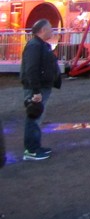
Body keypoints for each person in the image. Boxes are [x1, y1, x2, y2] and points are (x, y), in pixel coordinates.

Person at [20, 19, 62, 161]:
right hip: (37, 88)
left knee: (36, 117)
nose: (52, 31)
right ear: (42, 30)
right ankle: (32, 150)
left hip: (40, 87)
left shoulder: (40, 45)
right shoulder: (35, 46)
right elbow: (31, 69)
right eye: (50, 28)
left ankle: (34, 147)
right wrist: (36, 91)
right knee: (34, 117)